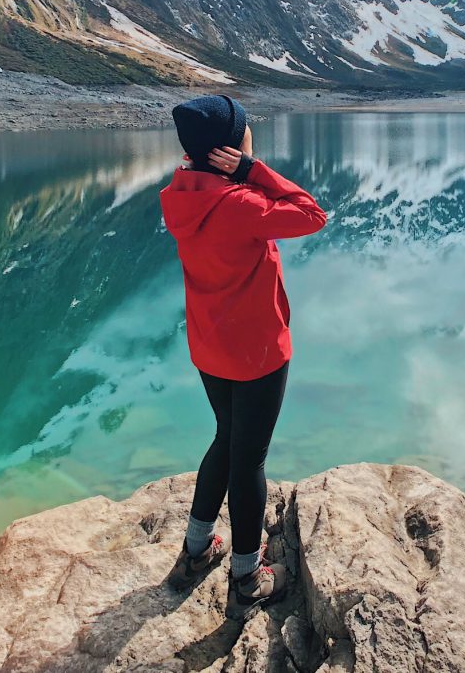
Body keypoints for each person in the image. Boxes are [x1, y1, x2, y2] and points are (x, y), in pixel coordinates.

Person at [158, 93, 327, 617]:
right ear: (230, 148)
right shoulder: (242, 204)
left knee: (225, 439)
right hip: (256, 353)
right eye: (246, 129)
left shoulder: (180, 195)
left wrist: (233, 171)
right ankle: (247, 576)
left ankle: (195, 550)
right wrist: (255, 170)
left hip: (210, 349)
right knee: (249, 458)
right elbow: (312, 214)